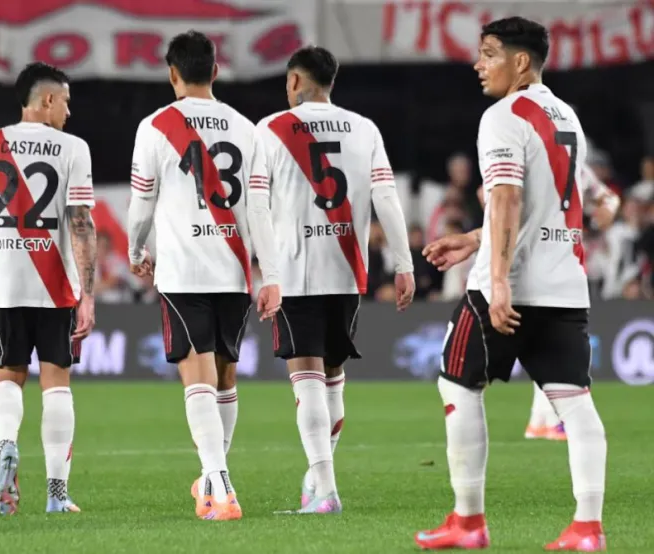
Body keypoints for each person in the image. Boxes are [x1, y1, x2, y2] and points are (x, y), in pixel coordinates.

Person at [415, 17, 607, 551]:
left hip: (512, 285)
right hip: (565, 282)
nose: (479, 64)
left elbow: (507, 199)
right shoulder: (565, 115)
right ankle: (588, 527)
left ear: (520, 62)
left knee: (456, 385)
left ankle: (469, 521)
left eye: (489, 53)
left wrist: (497, 281)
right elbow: (545, 208)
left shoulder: (503, 115)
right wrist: (476, 238)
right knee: (575, 401)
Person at [126, 30, 281, 521]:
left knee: (195, 374)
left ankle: (219, 486)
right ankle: (214, 477)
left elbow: (141, 202)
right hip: (233, 269)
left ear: (173, 74)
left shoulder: (155, 125)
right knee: (225, 375)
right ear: (215, 71)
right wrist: (271, 274)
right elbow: (260, 209)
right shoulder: (246, 127)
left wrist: (135, 247)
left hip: (183, 268)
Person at [255, 46, 415, 515]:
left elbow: (258, 207)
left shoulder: (271, 130)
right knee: (332, 379)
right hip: (346, 271)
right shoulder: (364, 128)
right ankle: (317, 479)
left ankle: (325, 490)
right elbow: (387, 197)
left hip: (295, 271)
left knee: (306, 380)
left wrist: (268, 272)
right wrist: (404, 264)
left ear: (293, 81)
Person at [0, 62, 97, 516]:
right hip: (55, 284)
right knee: (56, 382)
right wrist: (89, 293)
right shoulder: (74, 149)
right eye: (66, 101)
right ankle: (57, 496)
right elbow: (81, 223)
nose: (70, 112)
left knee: (8, 378)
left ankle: (6, 446)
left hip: (6, 284)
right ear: (47, 100)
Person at [526, 164, 619, 441]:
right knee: (555, 343)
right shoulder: (532, 160)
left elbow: (609, 197)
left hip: (565, 261)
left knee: (546, 342)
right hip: (536, 260)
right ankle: (553, 418)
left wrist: (608, 209)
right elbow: (487, 192)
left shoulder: (577, 167)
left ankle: (540, 420)